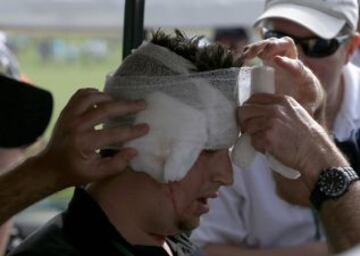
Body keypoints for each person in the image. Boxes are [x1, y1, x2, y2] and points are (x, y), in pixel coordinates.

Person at [6, 30, 322, 256]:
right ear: (151, 144)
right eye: (209, 149)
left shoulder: (175, 243)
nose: (226, 177)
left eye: (228, 150)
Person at [191, 0, 360, 255]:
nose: (297, 59)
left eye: (318, 45)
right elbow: (204, 247)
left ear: (351, 48)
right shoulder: (228, 117)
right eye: (277, 38)